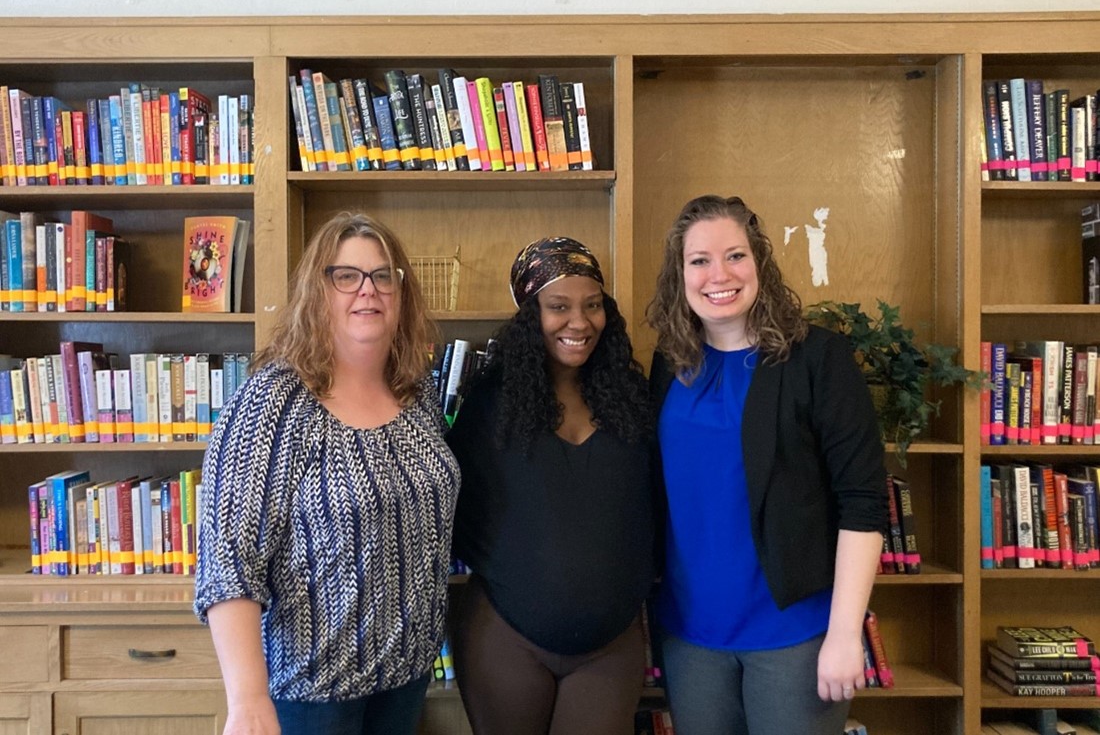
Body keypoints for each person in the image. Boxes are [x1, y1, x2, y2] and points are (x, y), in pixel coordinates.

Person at [194, 211, 459, 735]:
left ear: (401, 293)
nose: (369, 290)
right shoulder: (272, 402)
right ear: (317, 292)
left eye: (384, 276)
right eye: (346, 276)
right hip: (312, 696)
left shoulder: (419, 395)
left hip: (406, 679)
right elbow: (229, 558)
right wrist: (247, 700)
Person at [645, 195, 888, 735]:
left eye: (735, 256)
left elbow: (863, 501)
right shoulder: (669, 362)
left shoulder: (818, 359)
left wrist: (846, 633)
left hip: (795, 634)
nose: (719, 275)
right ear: (679, 274)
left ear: (760, 263)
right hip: (690, 637)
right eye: (699, 261)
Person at [446, 236, 660, 735]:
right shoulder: (489, 407)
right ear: (529, 316)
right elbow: (451, 508)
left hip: (611, 648)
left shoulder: (633, 402)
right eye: (558, 307)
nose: (579, 323)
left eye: (592, 306)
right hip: (505, 639)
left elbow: (655, 510)